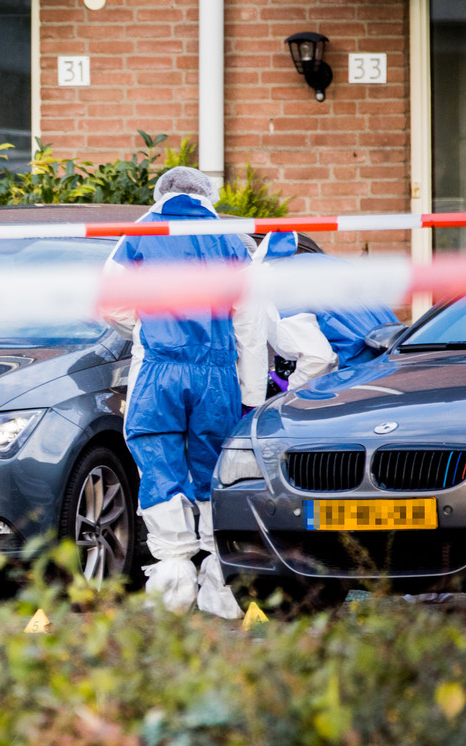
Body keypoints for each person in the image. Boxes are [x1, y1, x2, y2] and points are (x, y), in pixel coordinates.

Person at [105, 166, 266, 617]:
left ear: (160, 193)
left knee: (157, 461)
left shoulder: (138, 234)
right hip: (217, 374)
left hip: (157, 368)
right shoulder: (233, 242)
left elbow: (111, 301)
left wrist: (145, 326)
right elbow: (250, 326)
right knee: (215, 470)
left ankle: (173, 582)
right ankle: (221, 584)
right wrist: (251, 394)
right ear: (207, 195)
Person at [252, 231, 400, 390]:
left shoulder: (273, 290)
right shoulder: (312, 262)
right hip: (393, 363)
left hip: (356, 378)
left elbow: (317, 359)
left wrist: (289, 397)